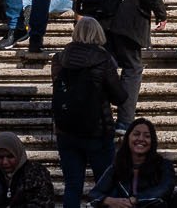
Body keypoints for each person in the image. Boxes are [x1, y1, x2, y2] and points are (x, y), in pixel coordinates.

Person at [52, 14, 127, 208]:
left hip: (66, 131)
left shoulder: (60, 58)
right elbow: (119, 96)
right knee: (106, 184)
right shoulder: (104, 59)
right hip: (98, 130)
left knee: (72, 186)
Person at [0, 131, 57, 207]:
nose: (5, 162)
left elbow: (44, 203)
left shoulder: (37, 173)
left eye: (10, 156)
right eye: (0, 157)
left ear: (18, 154)